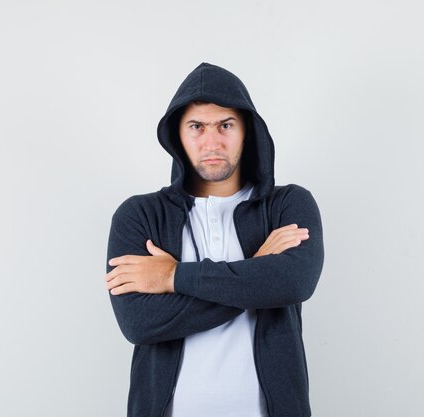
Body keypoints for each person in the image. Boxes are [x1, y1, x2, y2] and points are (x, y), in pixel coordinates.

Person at [105, 62, 324, 417]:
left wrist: (171, 277)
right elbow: (139, 323)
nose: (212, 141)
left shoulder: (288, 205)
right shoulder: (140, 215)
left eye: (225, 125)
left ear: (246, 131)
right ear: (178, 135)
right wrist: (255, 273)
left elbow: (292, 282)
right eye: (197, 127)